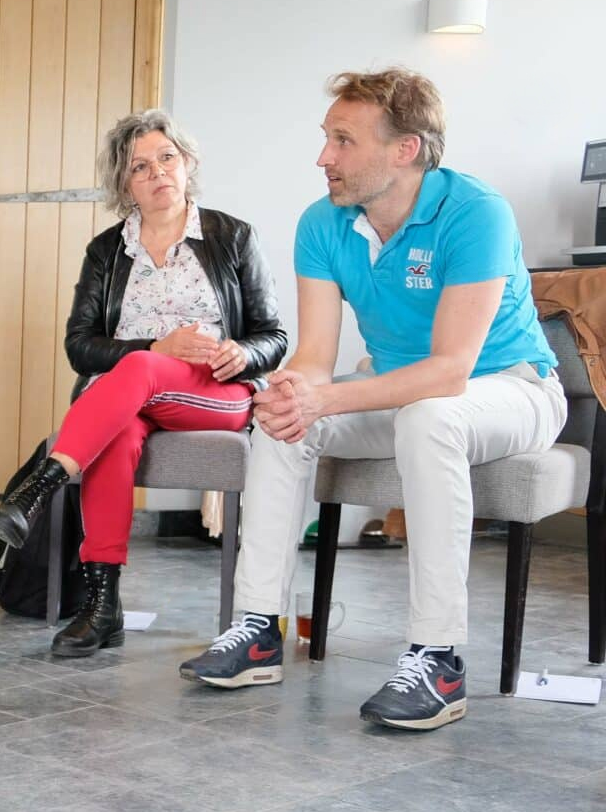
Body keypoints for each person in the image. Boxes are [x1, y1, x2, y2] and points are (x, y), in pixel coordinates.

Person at [178, 68, 563, 731]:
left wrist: (325, 400)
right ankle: (257, 628)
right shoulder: (323, 224)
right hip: (405, 394)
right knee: (280, 421)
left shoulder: (476, 212)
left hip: (512, 388)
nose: (323, 156)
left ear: (405, 148)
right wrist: (293, 393)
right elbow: (316, 359)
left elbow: (448, 370)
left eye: (343, 140)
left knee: (429, 416)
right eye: (327, 138)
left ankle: (438, 659)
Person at [0, 110, 286, 657]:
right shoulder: (107, 250)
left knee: (139, 370)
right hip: (131, 397)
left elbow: (273, 335)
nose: (157, 173)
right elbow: (80, 346)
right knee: (118, 430)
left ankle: (41, 486)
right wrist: (154, 347)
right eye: (140, 166)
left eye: (167, 159)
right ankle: (103, 609)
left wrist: (241, 351)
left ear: (188, 164)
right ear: (124, 184)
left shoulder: (233, 236)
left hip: (216, 392)